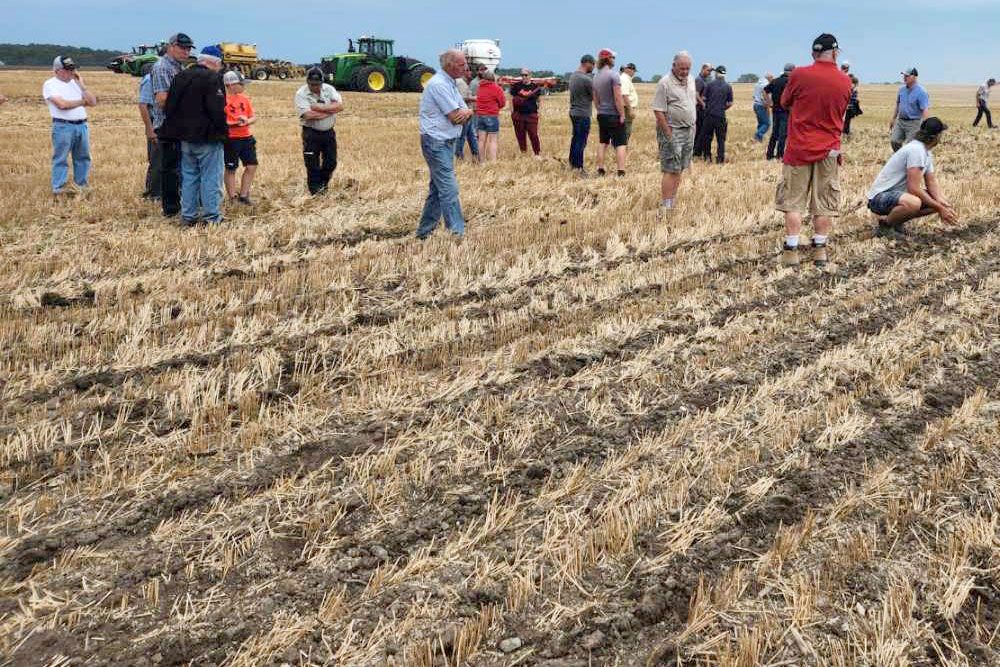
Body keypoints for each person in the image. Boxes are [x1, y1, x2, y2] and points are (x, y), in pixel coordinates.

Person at [775, 33, 851, 268]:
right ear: (835, 54)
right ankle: (819, 250)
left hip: (799, 148)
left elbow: (784, 102)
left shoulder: (799, 74)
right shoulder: (845, 81)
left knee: (793, 201)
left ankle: (791, 251)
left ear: (813, 53)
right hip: (829, 150)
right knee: (824, 202)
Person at [158, 46, 228, 225]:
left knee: (189, 176)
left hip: (184, 138)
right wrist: (223, 133)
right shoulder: (213, 78)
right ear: (215, 62)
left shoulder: (180, 76)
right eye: (219, 65)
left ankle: (188, 216)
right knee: (210, 177)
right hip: (207, 137)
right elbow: (217, 109)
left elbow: (169, 106)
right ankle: (212, 217)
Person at [867, 117, 957, 240]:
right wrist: (939, 208)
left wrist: (943, 204)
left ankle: (896, 222)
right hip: (879, 198)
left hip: (897, 195)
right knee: (914, 203)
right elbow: (913, 188)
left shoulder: (926, 152)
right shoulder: (916, 150)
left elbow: (931, 181)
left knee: (936, 202)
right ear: (935, 137)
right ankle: (885, 227)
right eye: (940, 134)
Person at [417, 49, 473, 239]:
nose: (465, 67)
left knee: (437, 189)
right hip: (436, 142)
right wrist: (468, 113)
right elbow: (456, 117)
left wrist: (466, 112)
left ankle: (424, 233)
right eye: (461, 64)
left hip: (446, 141)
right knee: (449, 188)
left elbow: (463, 110)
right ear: (449, 65)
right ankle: (457, 233)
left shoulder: (451, 83)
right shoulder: (439, 85)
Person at [152, 32, 195, 216]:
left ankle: (179, 204)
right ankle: (171, 208)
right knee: (170, 169)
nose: (186, 51)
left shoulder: (178, 67)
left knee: (179, 167)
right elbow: (162, 99)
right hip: (168, 125)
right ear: (171, 46)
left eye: (188, 48)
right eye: (182, 47)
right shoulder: (163, 67)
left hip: (178, 124)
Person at [651, 51, 698, 216]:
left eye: (688, 68)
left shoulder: (691, 80)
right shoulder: (664, 83)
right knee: (671, 168)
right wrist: (668, 133)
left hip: (689, 129)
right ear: (674, 66)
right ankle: (666, 204)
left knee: (680, 167)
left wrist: (694, 124)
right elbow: (658, 110)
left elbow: (691, 102)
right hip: (673, 130)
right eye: (682, 68)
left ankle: (673, 199)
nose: (685, 72)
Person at [43, 55, 97, 195]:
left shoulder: (76, 83)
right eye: (68, 70)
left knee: (83, 157)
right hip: (63, 126)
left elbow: (92, 102)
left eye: (72, 69)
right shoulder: (50, 84)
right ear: (57, 70)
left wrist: (82, 85)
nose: (71, 72)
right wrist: (81, 102)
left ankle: (81, 186)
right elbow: (62, 105)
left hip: (82, 125)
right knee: (61, 158)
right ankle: (59, 188)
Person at [295, 68, 344, 195]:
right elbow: (307, 115)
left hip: (328, 132)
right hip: (311, 133)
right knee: (312, 163)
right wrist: (330, 111)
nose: (315, 87)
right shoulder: (301, 94)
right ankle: (315, 191)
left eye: (317, 84)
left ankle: (323, 184)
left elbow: (340, 106)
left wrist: (320, 108)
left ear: (322, 82)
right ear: (307, 82)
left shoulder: (329, 89)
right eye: (312, 84)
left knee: (331, 162)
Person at [222, 70, 257, 205]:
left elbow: (253, 117)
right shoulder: (222, 101)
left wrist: (247, 121)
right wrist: (234, 123)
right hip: (231, 139)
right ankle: (232, 197)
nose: (243, 86)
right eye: (241, 84)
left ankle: (244, 194)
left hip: (246, 137)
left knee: (252, 166)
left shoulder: (245, 99)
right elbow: (221, 122)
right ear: (230, 85)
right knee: (231, 168)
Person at [593, 48, 627, 176]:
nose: (614, 60)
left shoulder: (596, 77)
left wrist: (600, 110)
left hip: (602, 114)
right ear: (608, 59)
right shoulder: (614, 75)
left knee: (603, 142)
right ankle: (621, 171)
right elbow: (618, 97)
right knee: (620, 143)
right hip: (614, 114)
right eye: (613, 57)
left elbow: (595, 98)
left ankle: (600, 169)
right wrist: (622, 114)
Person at [890, 67, 930, 152]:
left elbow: (925, 110)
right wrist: (893, 118)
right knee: (894, 141)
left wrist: (926, 127)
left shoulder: (921, 92)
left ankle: (908, 161)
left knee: (910, 147)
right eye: (904, 75)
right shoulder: (901, 90)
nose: (904, 78)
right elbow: (898, 104)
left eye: (907, 76)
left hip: (914, 123)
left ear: (914, 77)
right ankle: (900, 157)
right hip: (900, 121)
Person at [568, 54, 596, 173]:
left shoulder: (573, 76)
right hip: (583, 113)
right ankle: (579, 167)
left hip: (574, 112)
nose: (594, 67)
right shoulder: (586, 79)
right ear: (587, 63)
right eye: (593, 64)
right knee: (581, 141)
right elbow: (595, 96)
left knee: (575, 139)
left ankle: (572, 163)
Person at [700, 65, 733, 163]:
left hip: (709, 115)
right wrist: (723, 108)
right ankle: (720, 159)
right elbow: (730, 103)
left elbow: (703, 98)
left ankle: (707, 157)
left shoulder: (709, 85)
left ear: (716, 73)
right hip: (721, 116)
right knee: (721, 139)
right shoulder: (728, 86)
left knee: (707, 138)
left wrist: (708, 106)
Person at [138, 63, 161, 200]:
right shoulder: (149, 79)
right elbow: (143, 105)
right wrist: (149, 129)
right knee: (156, 159)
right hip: (155, 122)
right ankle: (153, 192)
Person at [764, 63, 794, 161]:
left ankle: (769, 154)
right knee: (783, 134)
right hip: (786, 111)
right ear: (792, 71)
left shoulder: (775, 81)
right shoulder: (790, 82)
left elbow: (765, 91)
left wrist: (769, 103)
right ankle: (780, 155)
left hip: (775, 110)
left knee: (774, 133)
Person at [510, 69, 543, 156]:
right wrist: (512, 113)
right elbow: (511, 99)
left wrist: (537, 111)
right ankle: (523, 153)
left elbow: (538, 100)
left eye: (526, 75)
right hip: (519, 114)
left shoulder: (535, 87)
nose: (524, 77)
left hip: (531, 114)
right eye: (522, 75)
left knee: (534, 135)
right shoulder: (516, 86)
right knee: (520, 135)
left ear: (530, 75)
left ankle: (537, 153)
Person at [475, 69, 505, 162]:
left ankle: (482, 162)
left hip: (480, 116)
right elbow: (502, 103)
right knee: (493, 140)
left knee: (481, 140)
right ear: (493, 78)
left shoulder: (479, 87)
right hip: (491, 116)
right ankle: (493, 161)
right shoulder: (496, 88)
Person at [454, 65, 480, 161]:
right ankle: (459, 155)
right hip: (464, 113)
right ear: (464, 72)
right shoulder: (461, 83)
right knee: (462, 136)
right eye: (468, 71)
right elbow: (461, 98)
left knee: (471, 135)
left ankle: (476, 154)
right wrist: (474, 98)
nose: (470, 73)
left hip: (468, 113)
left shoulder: (464, 83)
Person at [693, 62, 713, 159]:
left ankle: (698, 151)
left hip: (703, 109)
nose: (710, 73)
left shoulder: (705, 80)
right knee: (699, 132)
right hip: (699, 110)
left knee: (702, 132)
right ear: (703, 69)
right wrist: (703, 104)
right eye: (708, 70)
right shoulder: (699, 80)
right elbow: (696, 94)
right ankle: (696, 152)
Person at [620, 62, 639, 143]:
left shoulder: (625, 78)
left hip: (626, 107)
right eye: (634, 70)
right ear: (629, 70)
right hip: (626, 108)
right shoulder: (625, 79)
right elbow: (624, 95)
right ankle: (622, 147)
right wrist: (630, 109)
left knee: (625, 129)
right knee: (626, 129)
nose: (634, 73)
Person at [753, 73, 773, 142]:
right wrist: (768, 105)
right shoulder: (766, 85)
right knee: (767, 124)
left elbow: (753, 96)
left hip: (755, 104)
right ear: (769, 78)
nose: (772, 80)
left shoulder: (757, 84)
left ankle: (758, 140)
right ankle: (757, 135)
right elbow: (764, 97)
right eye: (771, 78)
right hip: (761, 105)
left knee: (761, 123)